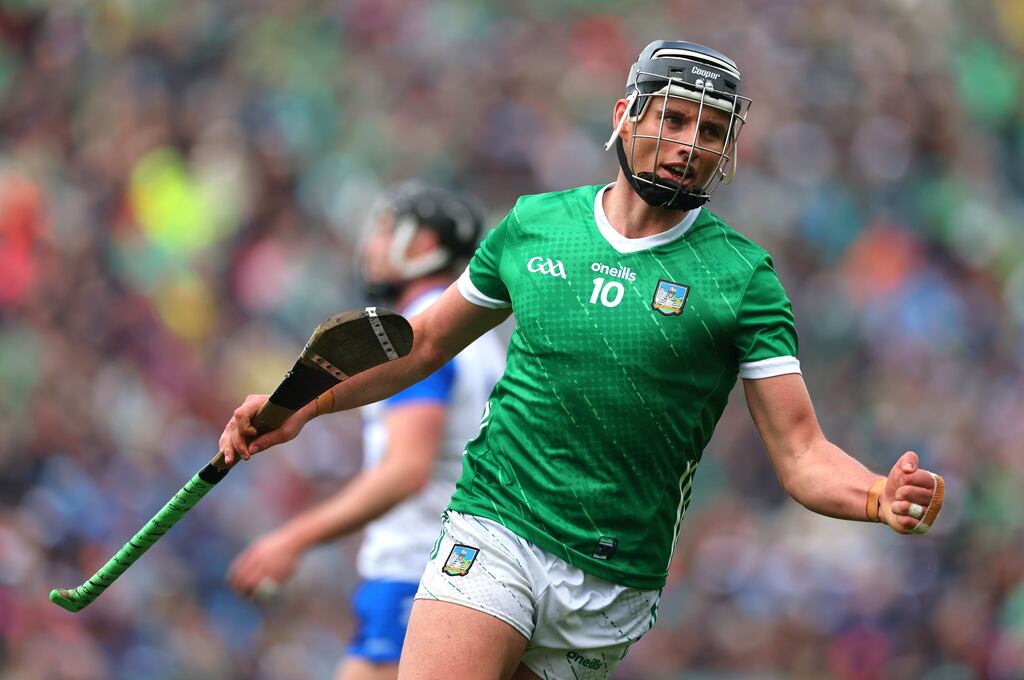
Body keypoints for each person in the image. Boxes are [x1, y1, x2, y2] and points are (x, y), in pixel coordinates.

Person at [220, 41, 945, 680]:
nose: (691, 143)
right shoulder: (536, 225)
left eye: (712, 130)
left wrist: (879, 497)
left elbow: (801, 453)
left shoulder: (742, 279)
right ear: (626, 115)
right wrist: (302, 405)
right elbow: (427, 342)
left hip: (614, 580)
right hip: (496, 525)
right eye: (675, 118)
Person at [226, 182, 506, 680]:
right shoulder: (473, 335)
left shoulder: (410, 335)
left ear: (423, 246)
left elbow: (405, 470)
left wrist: (293, 538)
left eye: (385, 230)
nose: (371, 245)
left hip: (417, 574)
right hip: (455, 571)